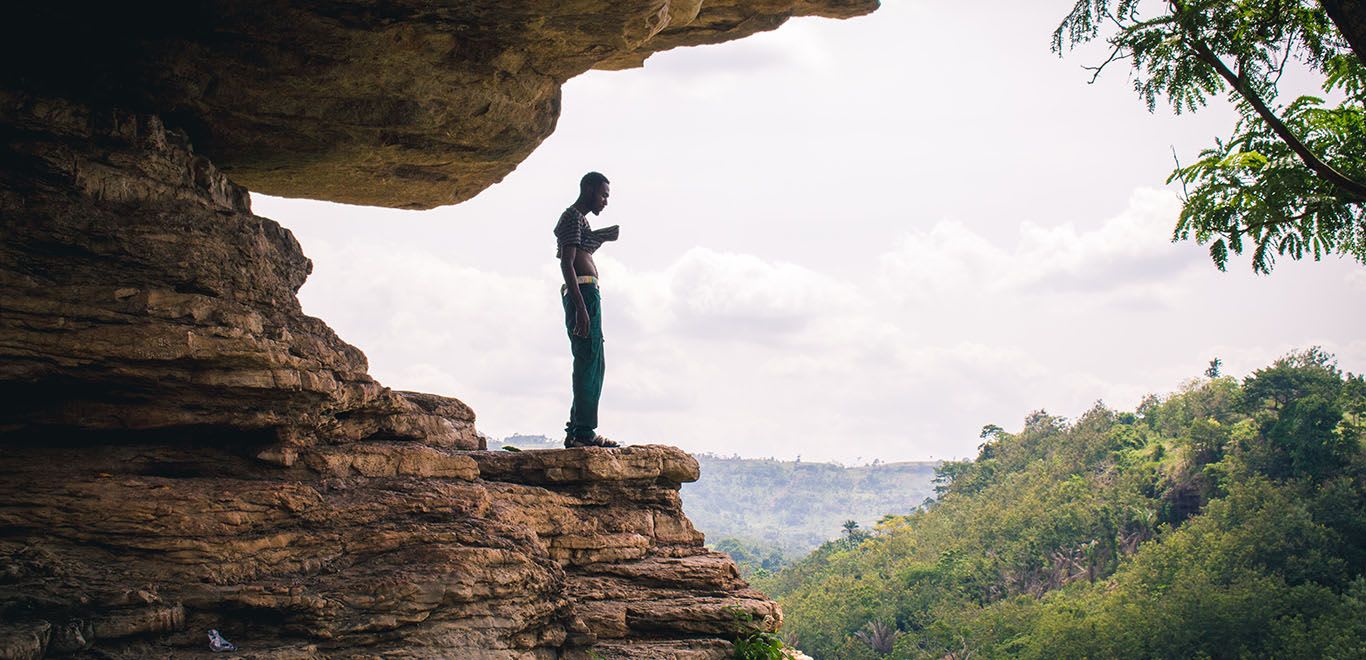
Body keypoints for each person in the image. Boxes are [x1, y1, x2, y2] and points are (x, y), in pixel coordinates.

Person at [554, 171, 620, 448]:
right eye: (603, 194)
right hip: (582, 293)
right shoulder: (570, 217)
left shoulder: (579, 221)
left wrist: (602, 237)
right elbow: (567, 263)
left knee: (594, 362)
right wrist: (581, 308)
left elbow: (581, 250)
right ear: (589, 189)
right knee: (587, 361)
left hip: (588, 293)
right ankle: (583, 432)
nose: (605, 201)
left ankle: (578, 429)